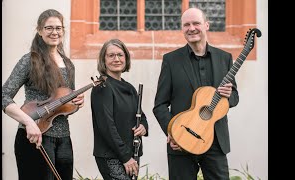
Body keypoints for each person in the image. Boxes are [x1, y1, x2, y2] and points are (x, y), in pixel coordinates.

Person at [153, 7, 239, 180]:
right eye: (186, 25)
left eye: (196, 23)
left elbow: (234, 98)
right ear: (182, 29)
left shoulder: (224, 58)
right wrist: (174, 132)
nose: (191, 28)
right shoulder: (171, 60)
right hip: (182, 139)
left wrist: (229, 95)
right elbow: (160, 104)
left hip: (215, 141)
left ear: (206, 25)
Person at [2, 9, 85, 180]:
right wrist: (28, 122)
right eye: (49, 28)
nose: (54, 32)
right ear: (40, 31)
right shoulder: (29, 60)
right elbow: (4, 96)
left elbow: (66, 106)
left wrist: (77, 102)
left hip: (63, 139)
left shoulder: (68, 64)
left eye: (58, 28)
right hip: (34, 136)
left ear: (63, 31)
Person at [90, 38, 149, 180]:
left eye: (120, 55)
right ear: (103, 60)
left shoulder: (129, 87)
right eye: (111, 55)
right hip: (112, 156)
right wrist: (125, 157)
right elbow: (107, 127)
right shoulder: (102, 87)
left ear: (126, 58)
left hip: (131, 154)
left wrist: (143, 127)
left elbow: (141, 116)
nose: (116, 59)